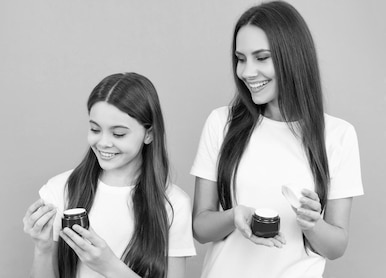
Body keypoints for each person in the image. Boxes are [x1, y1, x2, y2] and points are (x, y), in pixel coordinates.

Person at [190, 1, 364, 278]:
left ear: (292, 57)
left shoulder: (338, 135)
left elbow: (336, 247)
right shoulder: (221, 123)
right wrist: (233, 216)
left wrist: (313, 224)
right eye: (240, 58)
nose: (246, 72)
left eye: (261, 57)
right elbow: (200, 228)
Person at [23, 72, 196, 278]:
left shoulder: (173, 204)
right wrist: (42, 249)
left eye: (118, 134)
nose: (103, 142)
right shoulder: (59, 189)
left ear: (149, 134)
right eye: (95, 129)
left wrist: (109, 267)